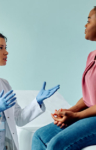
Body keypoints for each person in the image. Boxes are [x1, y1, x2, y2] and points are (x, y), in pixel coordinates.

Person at [32, 6, 96, 150]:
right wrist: (72, 111)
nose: (85, 25)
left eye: (89, 21)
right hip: (90, 114)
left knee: (57, 144)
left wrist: (77, 116)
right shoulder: (92, 56)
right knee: (39, 136)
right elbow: (90, 98)